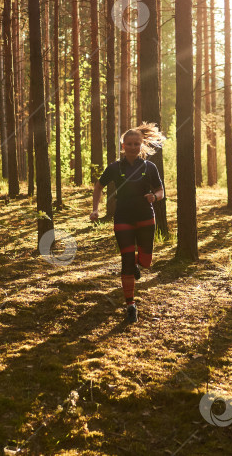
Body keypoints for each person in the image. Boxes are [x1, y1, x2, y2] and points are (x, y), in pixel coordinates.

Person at [90, 123, 166, 323]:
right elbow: (98, 186)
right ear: (123, 146)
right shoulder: (114, 168)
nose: (132, 147)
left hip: (146, 218)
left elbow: (161, 190)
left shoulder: (150, 167)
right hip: (122, 218)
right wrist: (95, 209)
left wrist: (155, 197)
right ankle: (130, 305)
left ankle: (136, 264)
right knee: (126, 260)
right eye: (129, 144)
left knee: (147, 261)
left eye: (136, 144)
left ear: (141, 146)